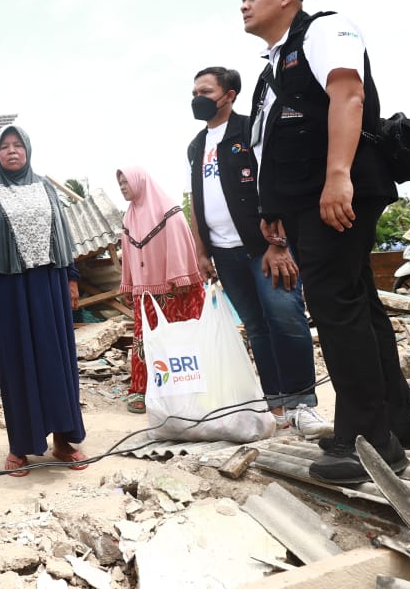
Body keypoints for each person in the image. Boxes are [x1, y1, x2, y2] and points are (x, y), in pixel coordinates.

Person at [242, 0, 410, 485]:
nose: (244, 5)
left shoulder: (325, 30)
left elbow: (349, 96)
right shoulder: (275, 62)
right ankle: (395, 423)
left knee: (336, 309)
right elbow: (277, 140)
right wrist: (272, 206)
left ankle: (367, 443)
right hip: (305, 201)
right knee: (357, 304)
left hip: (335, 194)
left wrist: (338, 176)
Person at [187, 66, 333, 439]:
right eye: (194, 92)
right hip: (224, 252)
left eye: (205, 91)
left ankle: (304, 405)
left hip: (263, 248)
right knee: (256, 326)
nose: (197, 99)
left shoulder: (252, 129)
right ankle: (278, 405)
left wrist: (277, 243)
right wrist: (202, 253)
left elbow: (276, 185)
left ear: (229, 94)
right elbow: (198, 201)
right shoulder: (196, 145)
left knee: (285, 316)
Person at [0, 126, 87, 477]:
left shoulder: (46, 188)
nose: (12, 151)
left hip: (48, 283)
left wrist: (72, 279)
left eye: (18, 146)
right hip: (6, 287)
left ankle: (63, 440)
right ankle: (21, 446)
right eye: (5, 147)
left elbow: (64, 235)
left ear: (28, 150)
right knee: (17, 363)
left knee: (56, 360)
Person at [115, 166, 205, 415]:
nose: (122, 187)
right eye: (120, 183)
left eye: (126, 182)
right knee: (144, 341)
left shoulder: (169, 211)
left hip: (175, 289)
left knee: (179, 339)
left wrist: (177, 278)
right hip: (144, 292)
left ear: (139, 182)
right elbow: (129, 256)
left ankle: (185, 387)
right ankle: (141, 390)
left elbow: (178, 246)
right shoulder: (129, 219)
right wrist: (129, 283)